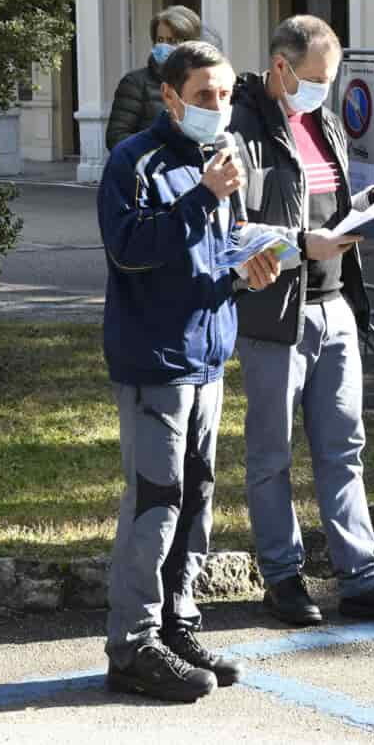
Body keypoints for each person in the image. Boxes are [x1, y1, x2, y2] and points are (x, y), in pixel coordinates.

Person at [227, 15, 374, 630]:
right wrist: (301, 243)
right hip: (275, 315)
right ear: (281, 67)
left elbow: (331, 205)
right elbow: (233, 232)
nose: (324, 88)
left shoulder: (323, 121)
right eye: (316, 77)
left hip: (335, 305)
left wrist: (371, 204)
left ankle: (364, 578)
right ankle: (284, 579)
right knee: (271, 454)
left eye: (331, 77)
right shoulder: (240, 129)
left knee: (343, 449)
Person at [98, 41, 279, 702]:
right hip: (156, 359)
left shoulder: (219, 160)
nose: (219, 107)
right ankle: (133, 644)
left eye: (227, 94)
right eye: (205, 95)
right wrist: (203, 197)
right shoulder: (133, 162)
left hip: (208, 353)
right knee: (156, 499)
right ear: (170, 96)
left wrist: (247, 267)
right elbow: (131, 249)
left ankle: (177, 621)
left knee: (197, 493)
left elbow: (214, 251)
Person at [105, 5, 203, 151]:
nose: (164, 46)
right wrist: (160, 148)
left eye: (172, 41)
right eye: (160, 39)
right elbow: (116, 138)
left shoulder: (203, 83)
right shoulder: (135, 83)